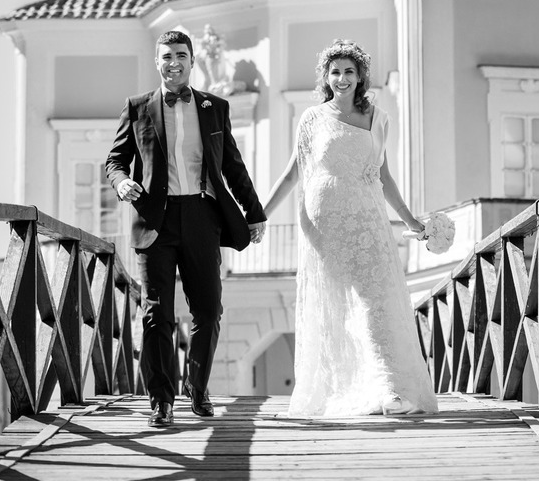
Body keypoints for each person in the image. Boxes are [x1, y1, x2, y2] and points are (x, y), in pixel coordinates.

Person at [261, 39, 438, 417]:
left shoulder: (379, 119)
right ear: (326, 77)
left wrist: (410, 220)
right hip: (324, 223)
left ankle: (388, 387)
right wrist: (261, 214)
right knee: (336, 306)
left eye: (349, 72)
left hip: (367, 219)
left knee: (376, 300)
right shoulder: (312, 119)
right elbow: (294, 172)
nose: (342, 78)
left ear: (360, 77)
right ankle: (346, 389)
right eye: (335, 72)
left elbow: (383, 175)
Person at [106, 30, 267, 428]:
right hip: (154, 221)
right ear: (156, 61)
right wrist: (121, 181)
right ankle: (161, 400)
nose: (173, 62)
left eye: (181, 55)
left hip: (201, 217)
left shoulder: (215, 108)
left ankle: (197, 388)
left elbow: (232, 165)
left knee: (208, 310)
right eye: (166, 56)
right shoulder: (137, 107)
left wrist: (255, 211)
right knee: (156, 314)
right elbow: (115, 160)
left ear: (192, 61)